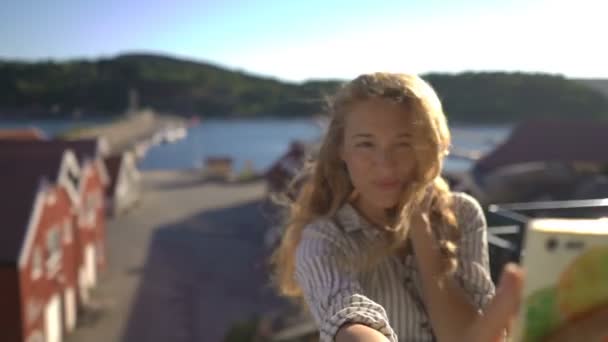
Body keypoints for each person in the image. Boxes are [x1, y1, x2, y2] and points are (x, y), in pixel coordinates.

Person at [271, 72, 523, 342]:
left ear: (432, 146)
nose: (386, 164)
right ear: (341, 151)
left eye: (403, 143)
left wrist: (424, 239)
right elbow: (348, 318)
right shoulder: (325, 238)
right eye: (366, 144)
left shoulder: (462, 214)